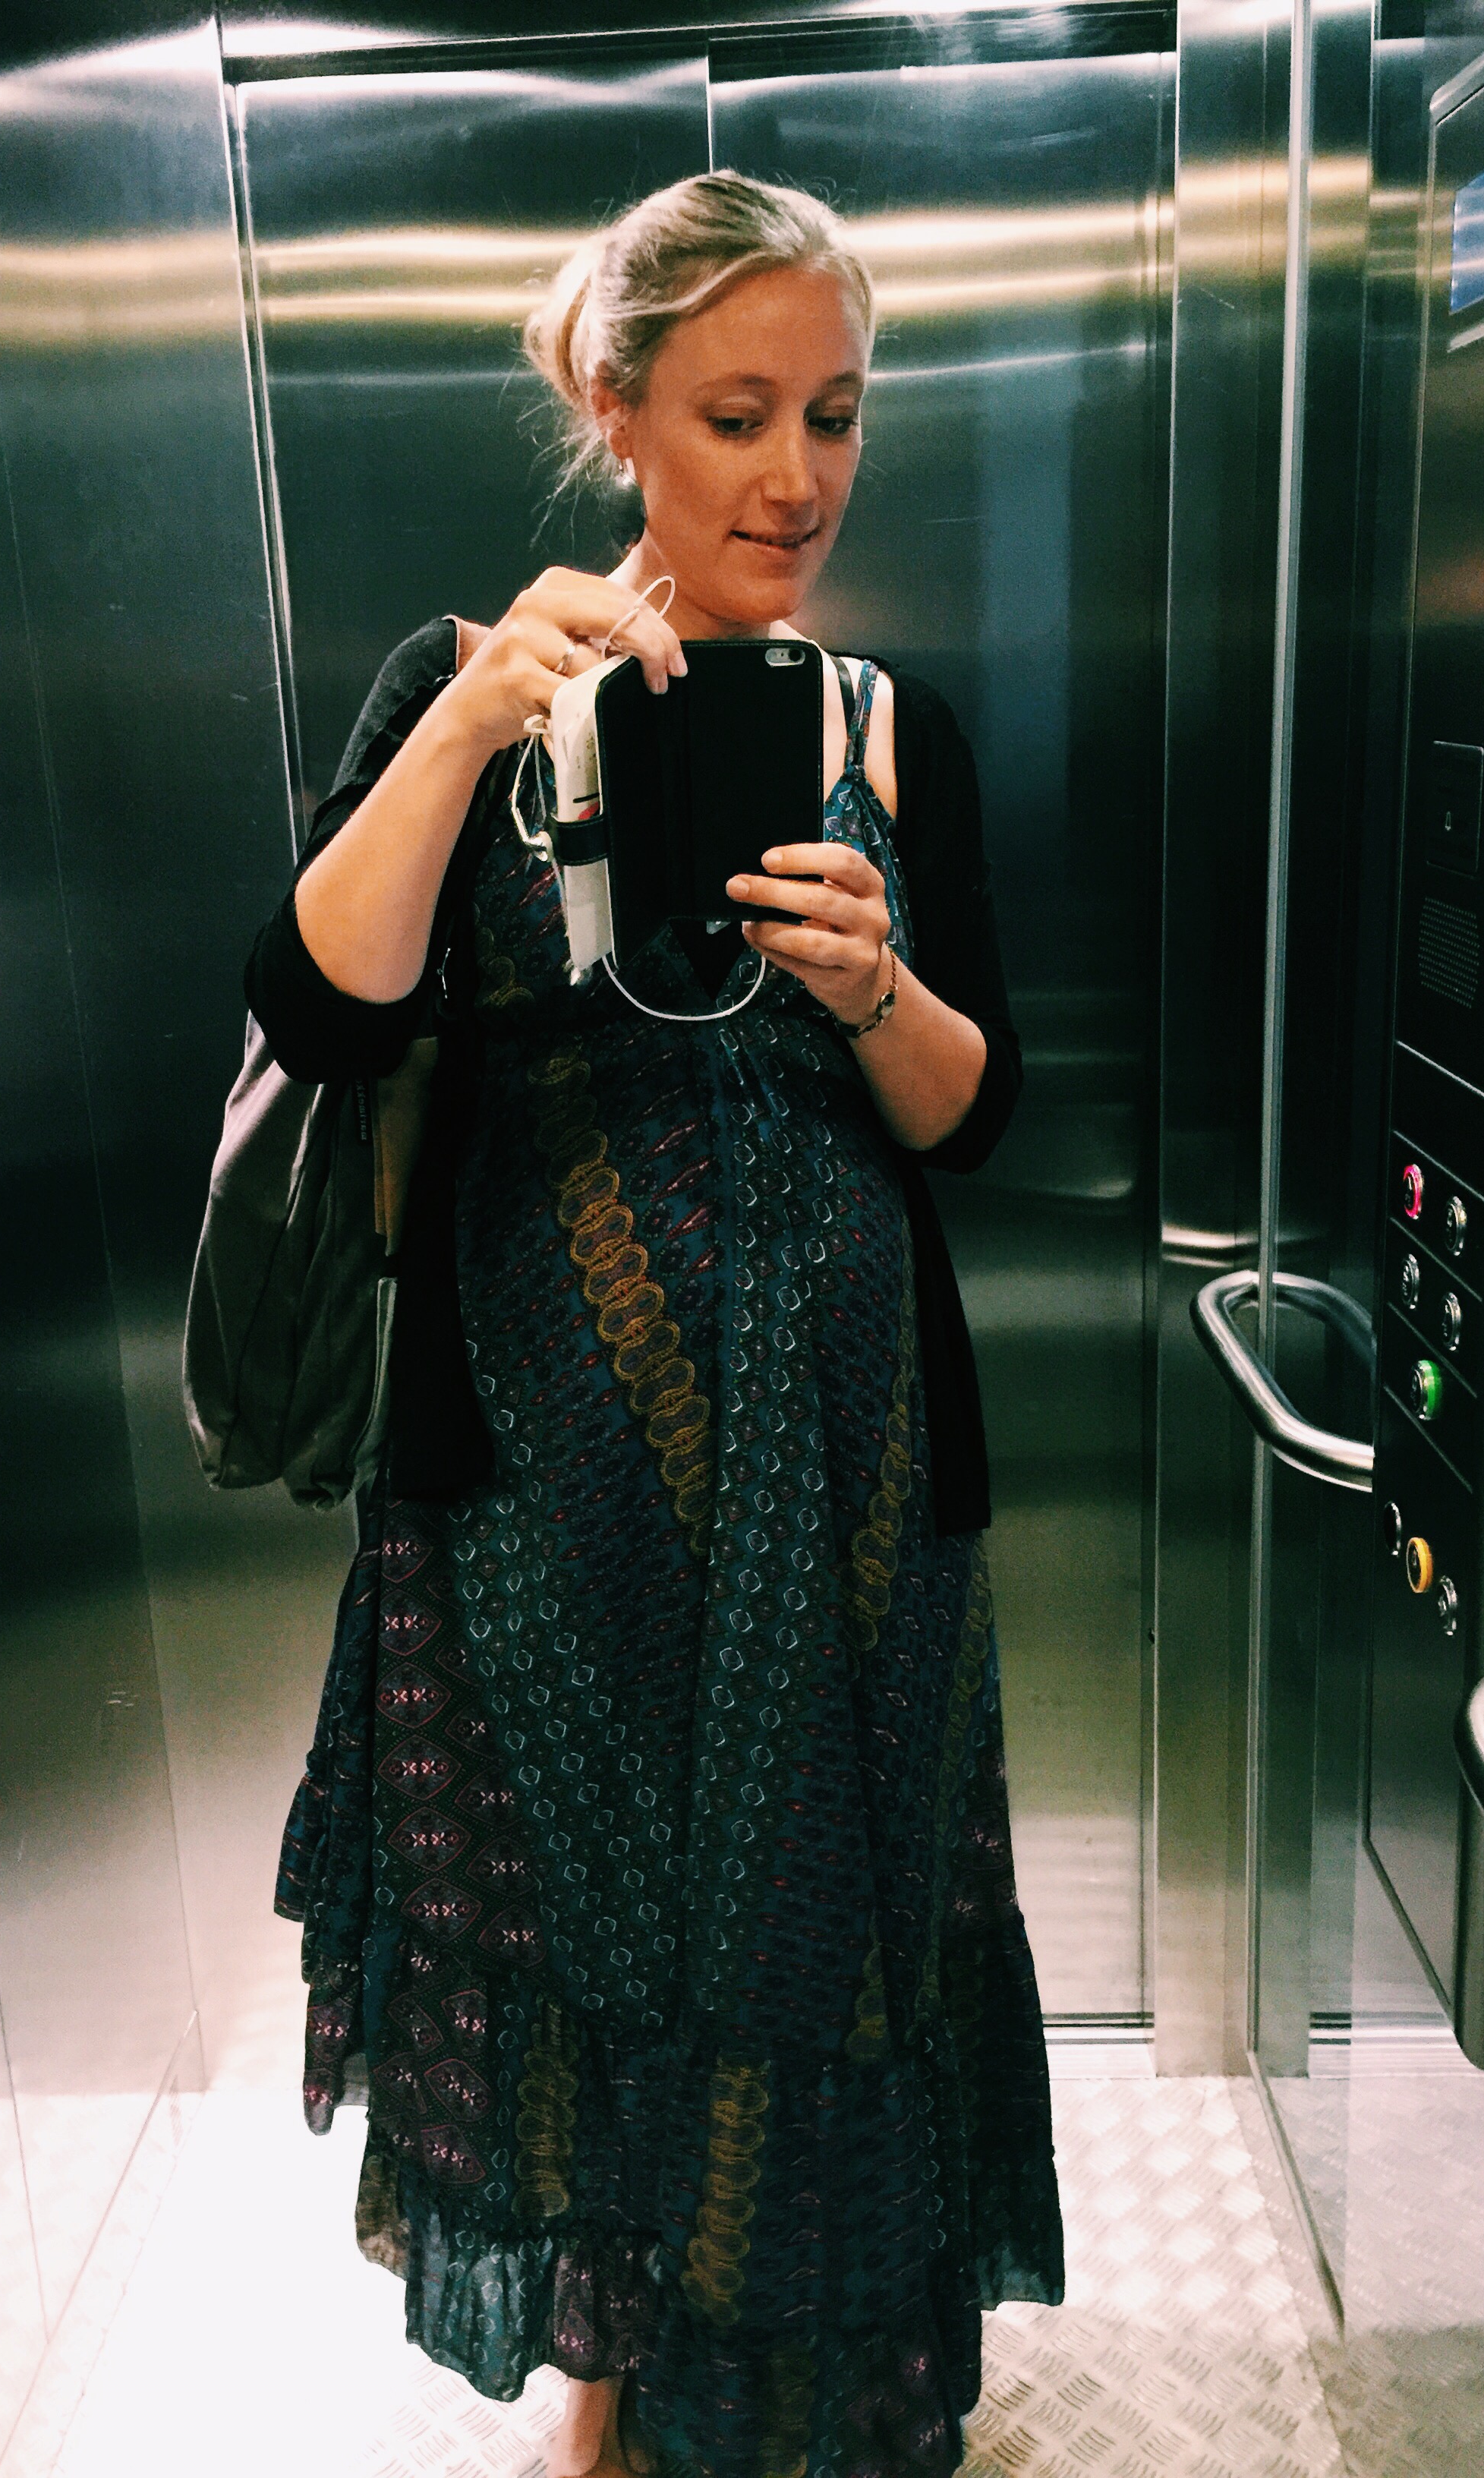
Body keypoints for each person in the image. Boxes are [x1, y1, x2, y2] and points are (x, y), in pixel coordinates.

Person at [250, 170, 1063, 2478]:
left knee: (823, 1934)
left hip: (845, 1480)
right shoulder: (467, 687)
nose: (797, 475)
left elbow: (975, 1116)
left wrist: (876, 985)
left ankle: (794, 2371)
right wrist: (462, 732)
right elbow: (317, 1006)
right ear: (619, 412)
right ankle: (610, 2388)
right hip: (539, 1478)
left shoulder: (893, 730)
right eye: (736, 414)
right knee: (594, 1943)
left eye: (836, 415)